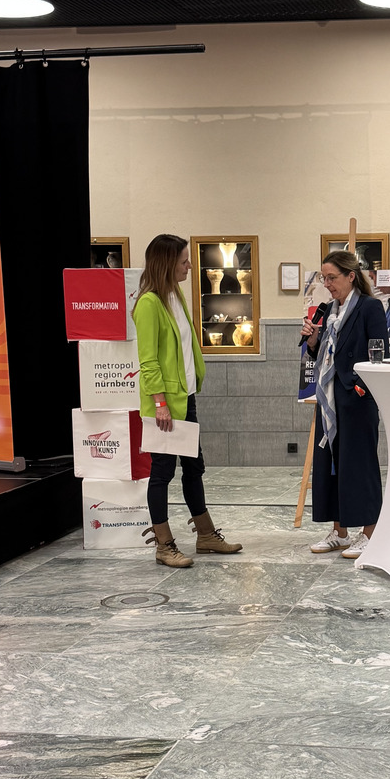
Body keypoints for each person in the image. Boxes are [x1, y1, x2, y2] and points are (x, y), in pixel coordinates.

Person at [133, 233, 242, 567]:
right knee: (162, 473)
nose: (189, 266)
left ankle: (206, 535)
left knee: (195, 467)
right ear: (167, 263)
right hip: (165, 405)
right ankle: (164, 545)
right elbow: (148, 361)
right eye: (183, 261)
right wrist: (160, 404)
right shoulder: (149, 303)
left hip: (185, 398)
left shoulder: (175, 295)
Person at [302, 249, 390, 559]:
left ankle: (370, 532)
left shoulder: (370, 307)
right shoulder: (329, 310)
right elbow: (326, 354)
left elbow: (380, 352)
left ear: (351, 276)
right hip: (330, 398)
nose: (327, 284)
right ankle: (339, 532)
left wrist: (360, 388)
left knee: (360, 465)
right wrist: (313, 341)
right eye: (323, 278)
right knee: (331, 463)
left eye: (332, 278)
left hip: (356, 399)